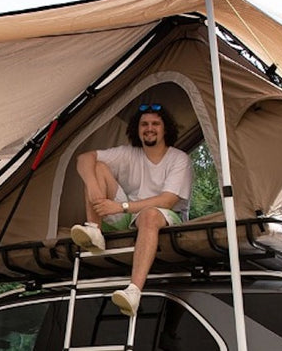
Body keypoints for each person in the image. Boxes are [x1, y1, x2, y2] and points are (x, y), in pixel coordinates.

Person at [70, 102, 193, 316]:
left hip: (164, 216)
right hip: (129, 215)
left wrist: (121, 206)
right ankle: (94, 231)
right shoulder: (128, 153)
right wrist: (92, 186)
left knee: (150, 214)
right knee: (97, 166)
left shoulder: (178, 158)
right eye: (144, 124)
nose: (149, 128)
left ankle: (134, 291)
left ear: (165, 129)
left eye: (155, 123)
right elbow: (83, 158)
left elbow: (167, 200)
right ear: (137, 129)